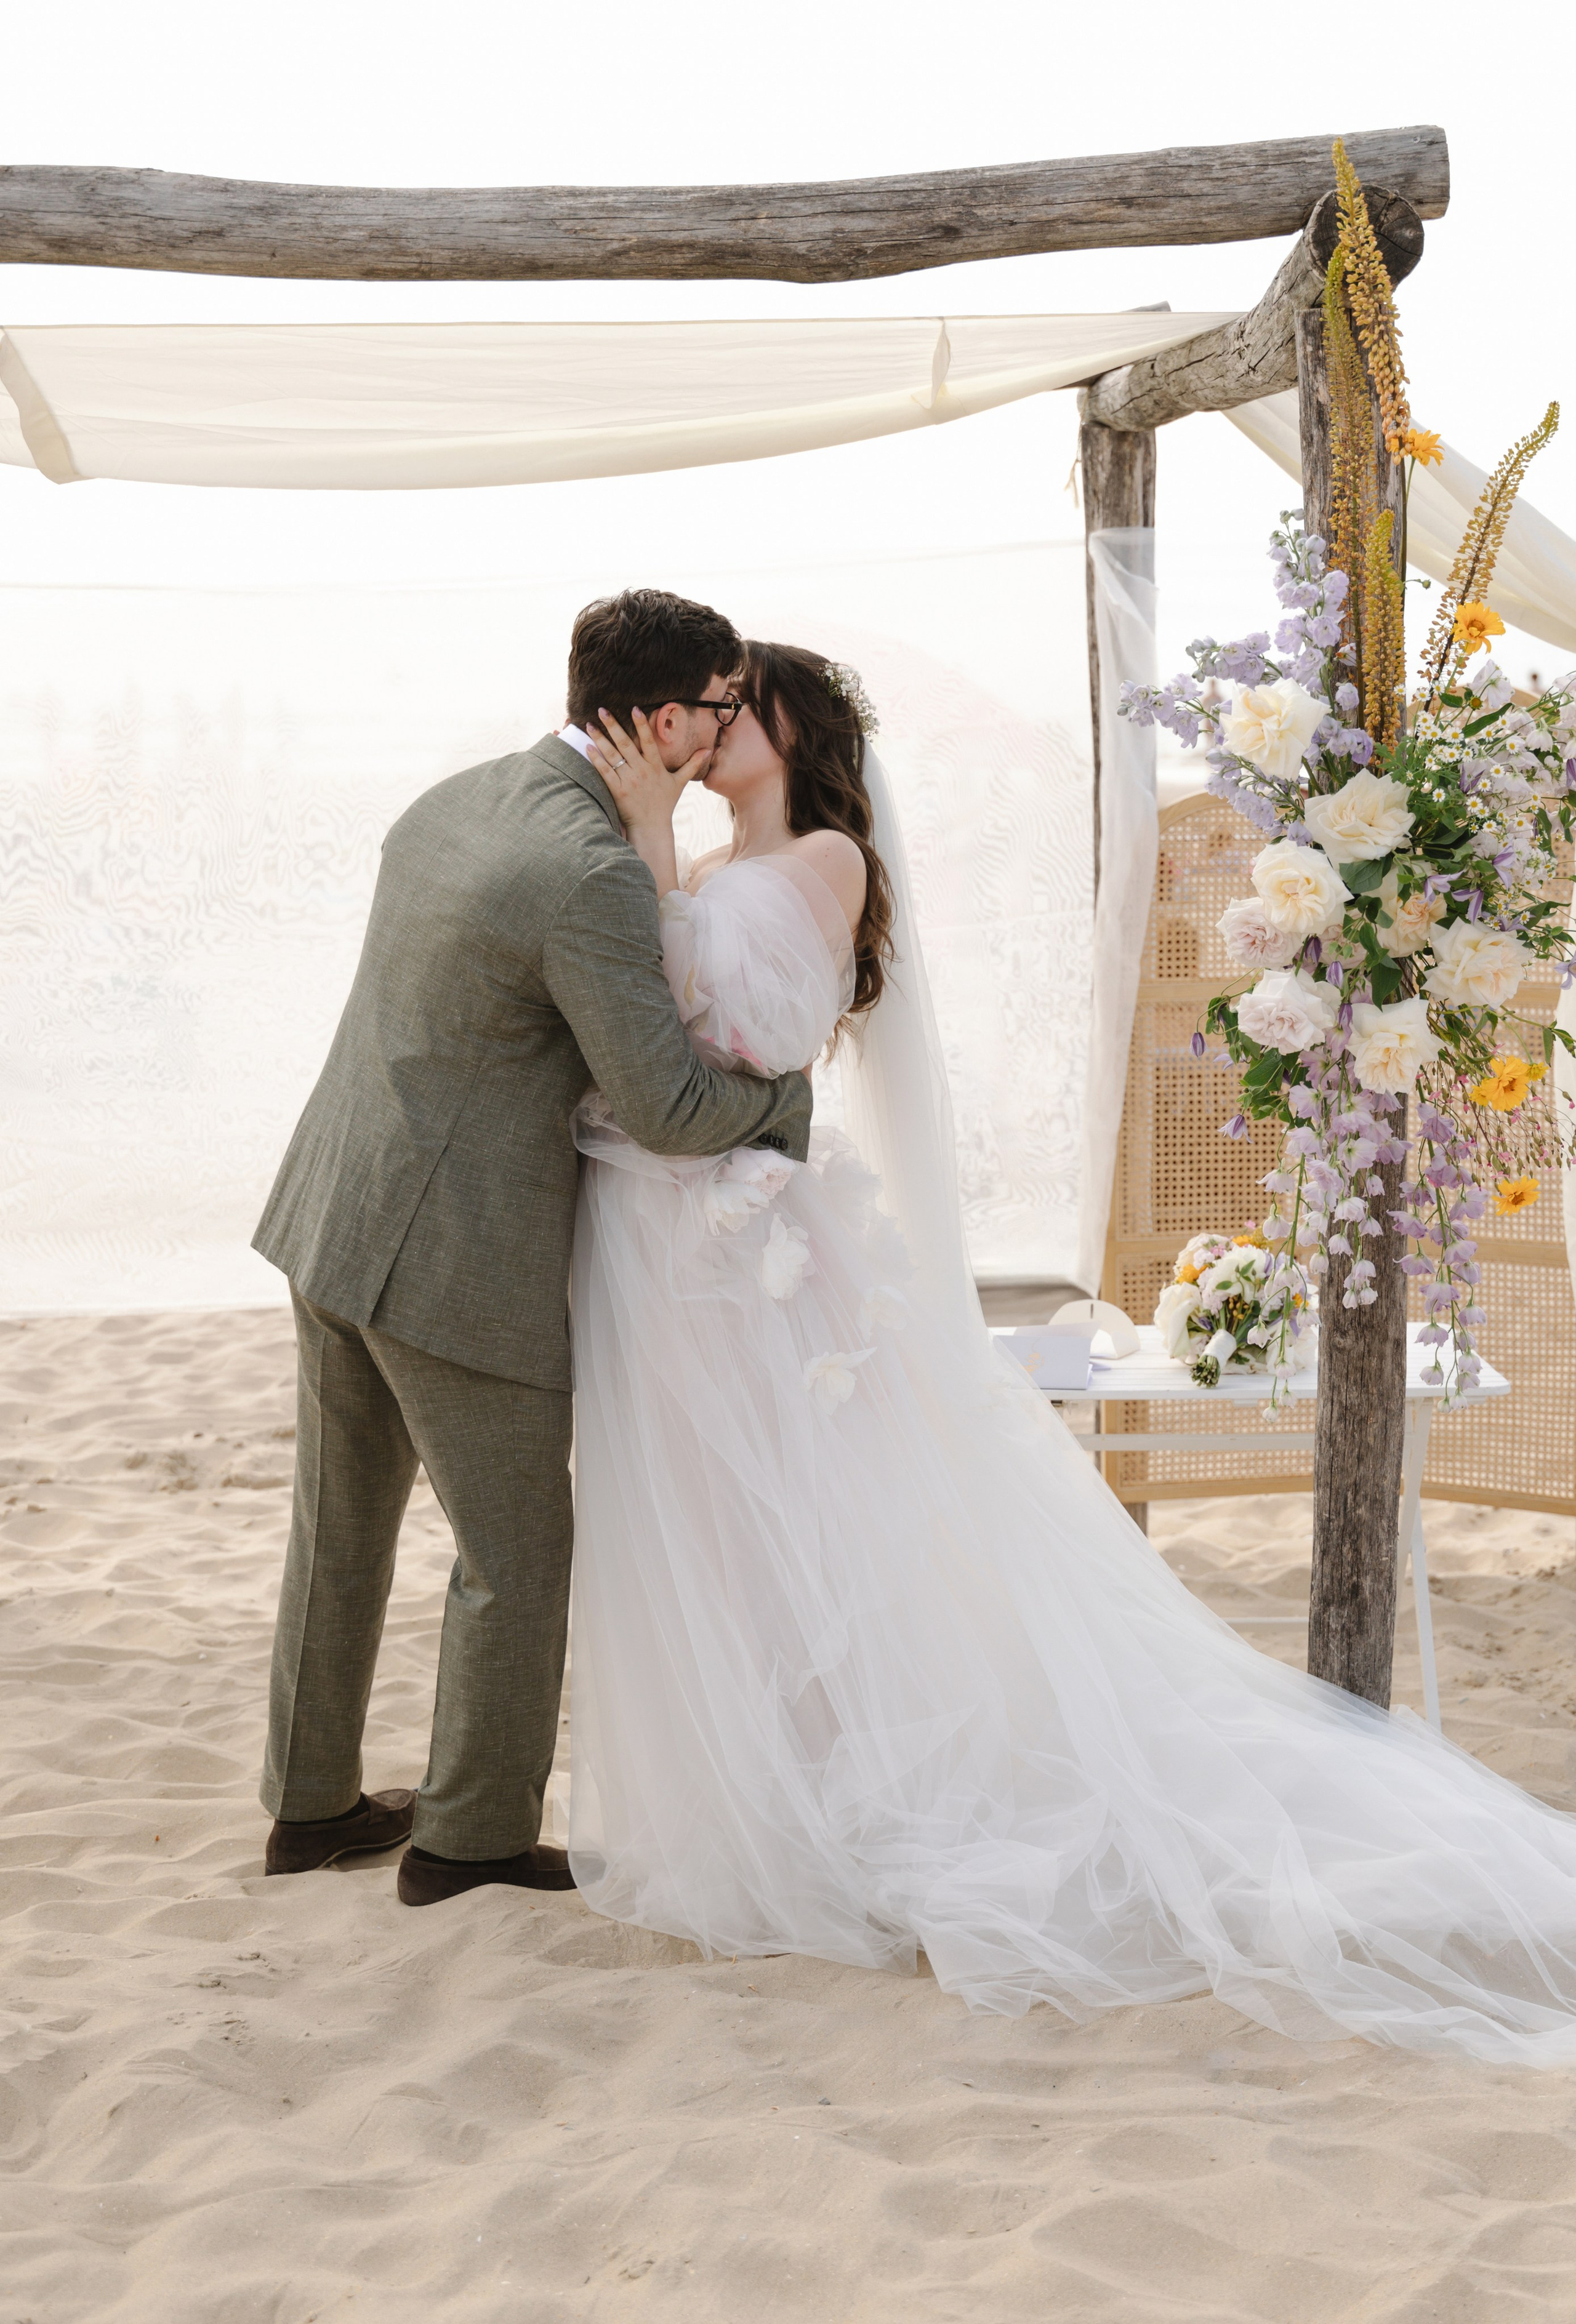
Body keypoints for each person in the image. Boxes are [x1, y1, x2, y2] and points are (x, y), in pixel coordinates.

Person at [566, 640, 1576, 2067]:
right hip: (690, 1248)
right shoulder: (702, 853)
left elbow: (754, 1031)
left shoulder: (827, 859)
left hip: (765, 1245)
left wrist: (651, 846)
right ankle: (778, 1788)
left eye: (744, 700)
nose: (719, 718)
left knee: (820, 1529)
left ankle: (849, 1796)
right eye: (712, 702)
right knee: (728, 1534)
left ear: (796, 730)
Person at [251, 590, 812, 1906]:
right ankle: (470, 1841)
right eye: (720, 707)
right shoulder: (591, 873)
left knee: (338, 1527)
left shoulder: (458, 796)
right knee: (517, 1550)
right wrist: (782, 1101)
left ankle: (310, 1807)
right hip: (449, 1259)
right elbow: (671, 1109)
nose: (727, 726)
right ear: (666, 719)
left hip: (332, 1206)